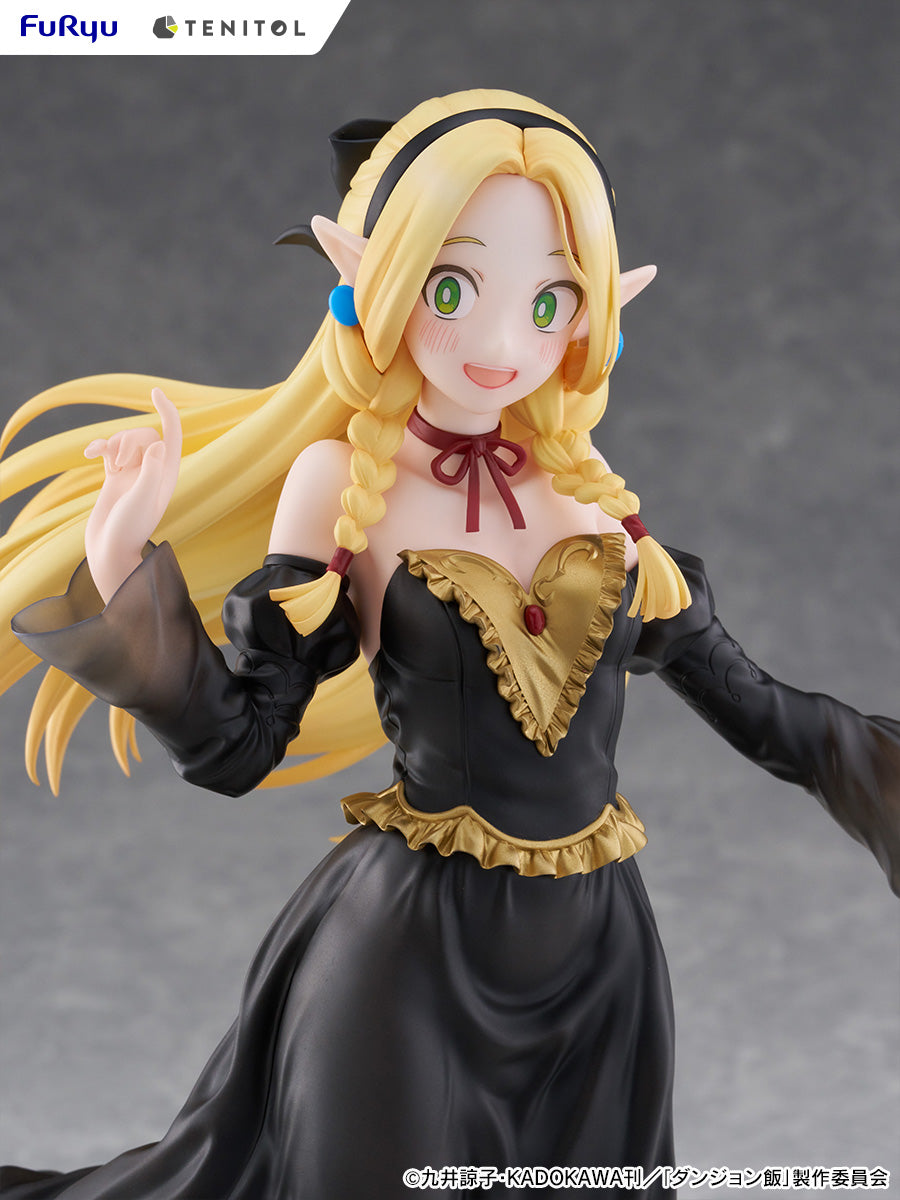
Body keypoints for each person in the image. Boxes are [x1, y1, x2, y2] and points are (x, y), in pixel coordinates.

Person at [0, 89, 897, 1200]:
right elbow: (240, 743)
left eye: (549, 301)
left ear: (597, 312)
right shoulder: (343, 486)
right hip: (410, 955)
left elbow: (764, 712)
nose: (499, 345)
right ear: (369, 280)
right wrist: (123, 558)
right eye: (452, 289)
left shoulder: (600, 511)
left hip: (600, 969)